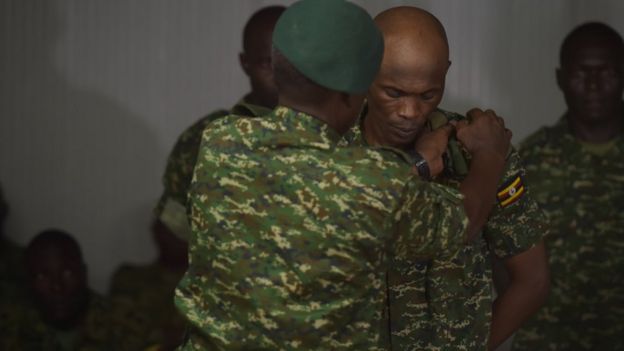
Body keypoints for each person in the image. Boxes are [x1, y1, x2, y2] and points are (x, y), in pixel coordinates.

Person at [174, 0, 511, 349]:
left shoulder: (220, 141)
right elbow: (463, 221)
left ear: (276, 68)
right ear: (359, 90)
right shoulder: (373, 181)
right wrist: (489, 154)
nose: (409, 111)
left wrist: (415, 164)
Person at [340, 6, 549, 350]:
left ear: (446, 74)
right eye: (394, 93)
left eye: (427, 94)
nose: (410, 112)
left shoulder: (477, 152)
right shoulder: (328, 149)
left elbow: (533, 280)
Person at [514, 22, 624, 350]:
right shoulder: (530, 159)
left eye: (606, 72)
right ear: (561, 79)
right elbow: (502, 254)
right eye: (581, 73)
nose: (593, 85)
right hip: (549, 338)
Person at [155, 5, 286, 240]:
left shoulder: (336, 131)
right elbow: (173, 235)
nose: (281, 77)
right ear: (245, 63)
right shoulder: (206, 138)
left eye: (290, 64)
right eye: (267, 64)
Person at [0, 229, 113, 350]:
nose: (57, 287)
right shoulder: (11, 326)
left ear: (84, 274)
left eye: (67, 273)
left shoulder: (119, 323)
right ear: (29, 282)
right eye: (42, 277)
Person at [108, 220, 189, 351]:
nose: (176, 235)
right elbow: (119, 335)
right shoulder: (129, 280)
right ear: (156, 230)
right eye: (170, 226)